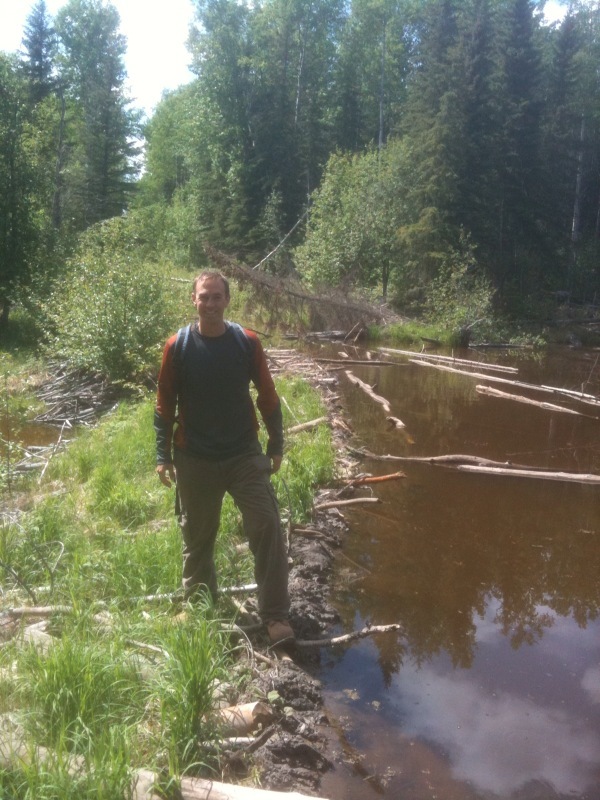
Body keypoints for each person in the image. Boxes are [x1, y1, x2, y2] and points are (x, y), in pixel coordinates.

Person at [154, 270, 294, 645]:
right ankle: (199, 602)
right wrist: (161, 455)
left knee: (266, 524)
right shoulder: (177, 346)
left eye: (217, 297)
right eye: (204, 297)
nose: (210, 303)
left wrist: (276, 444)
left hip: (243, 454)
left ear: (227, 300)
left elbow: (267, 394)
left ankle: (276, 615)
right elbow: (165, 403)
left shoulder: (245, 342)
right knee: (197, 535)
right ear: (193, 300)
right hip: (194, 457)